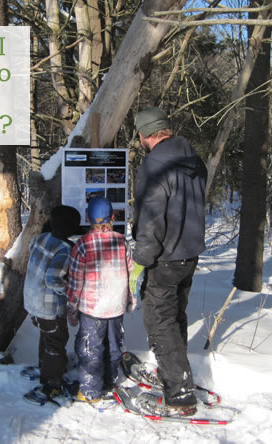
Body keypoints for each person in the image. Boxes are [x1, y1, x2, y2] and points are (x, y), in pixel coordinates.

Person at [128, 106, 207, 416]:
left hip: (164, 257)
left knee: (159, 322)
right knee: (174, 318)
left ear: (144, 134)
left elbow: (150, 220)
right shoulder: (195, 160)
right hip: (189, 253)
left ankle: (180, 395)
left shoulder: (154, 166)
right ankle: (175, 374)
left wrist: (139, 262)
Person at [66, 197, 135, 404]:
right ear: (113, 217)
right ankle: (109, 382)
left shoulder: (82, 244)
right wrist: (131, 299)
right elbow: (132, 274)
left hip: (92, 308)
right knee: (114, 346)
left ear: (88, 218)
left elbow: (75, 280)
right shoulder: (122, 242)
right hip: (116, 305)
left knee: (90, 348)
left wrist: (72, 307)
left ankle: (90, 391)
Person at [23, 205, 82, 403]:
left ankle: (45, 367)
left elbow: (34, 254)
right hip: (49, 307)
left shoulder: (41, 238)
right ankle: (51, 382)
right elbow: (53, 279)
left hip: (31, 301)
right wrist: (71, 292)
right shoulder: (64, 250)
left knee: (47, 337)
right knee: (56, 341)